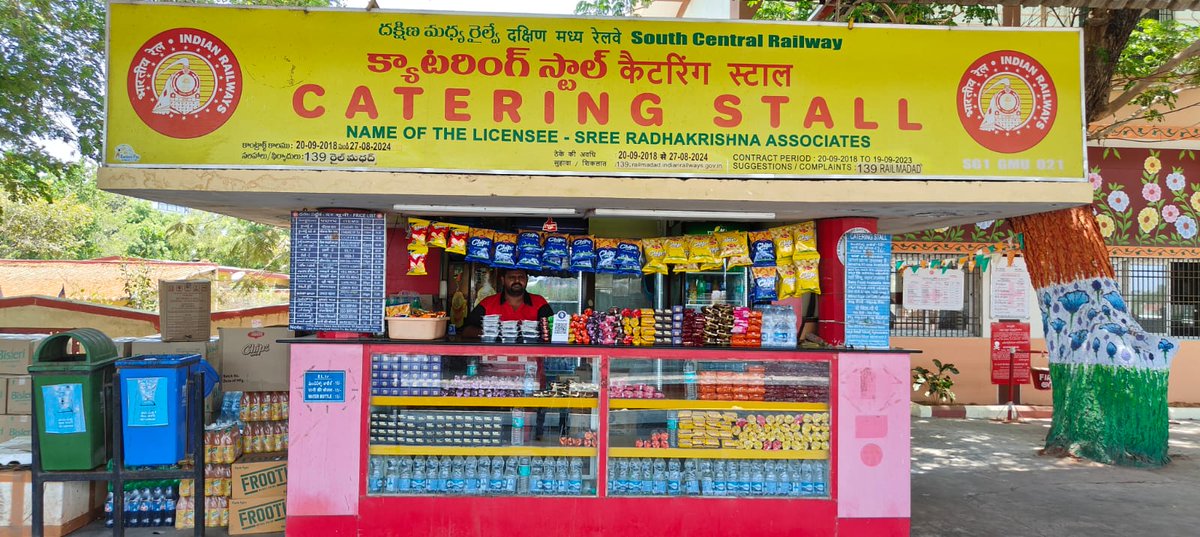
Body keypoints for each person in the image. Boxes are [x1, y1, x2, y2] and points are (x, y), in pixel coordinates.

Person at [461, 268, 554, 338]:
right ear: (503, 280)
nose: (517, 281)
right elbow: (466, 330)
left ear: (527, 280)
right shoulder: (488, 303)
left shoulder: (539, 302)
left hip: (531, 361)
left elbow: (552, 331)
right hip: (493, 361)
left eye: (521, 277)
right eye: (512, 277)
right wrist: (494, 332)